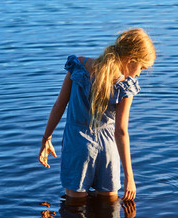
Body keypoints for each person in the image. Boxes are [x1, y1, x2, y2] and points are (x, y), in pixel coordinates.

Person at [38, 28, 156, 202]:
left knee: (74, 210)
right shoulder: (125, 85)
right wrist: (130, 178)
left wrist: (46, 138)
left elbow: (59, 106)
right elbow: (121, 131)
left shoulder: (78, 66)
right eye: (141, 68)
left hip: (77, 146)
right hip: (108, 149)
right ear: (131, 60)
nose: (139, 74)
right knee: (109, 213)